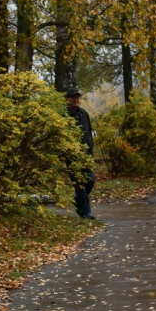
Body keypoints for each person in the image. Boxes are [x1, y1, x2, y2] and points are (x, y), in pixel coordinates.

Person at [65, 87, 96, 220]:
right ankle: (86, 213)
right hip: (73, 155)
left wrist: (91, 147)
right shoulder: (65, 115)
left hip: (86, 154)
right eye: (73, 97)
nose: (76, 99)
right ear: (68, 99)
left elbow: (89, 130)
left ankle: (78, 201)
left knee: (90, 180)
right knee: (80, 184)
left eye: (77, 97)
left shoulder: (84, 113)